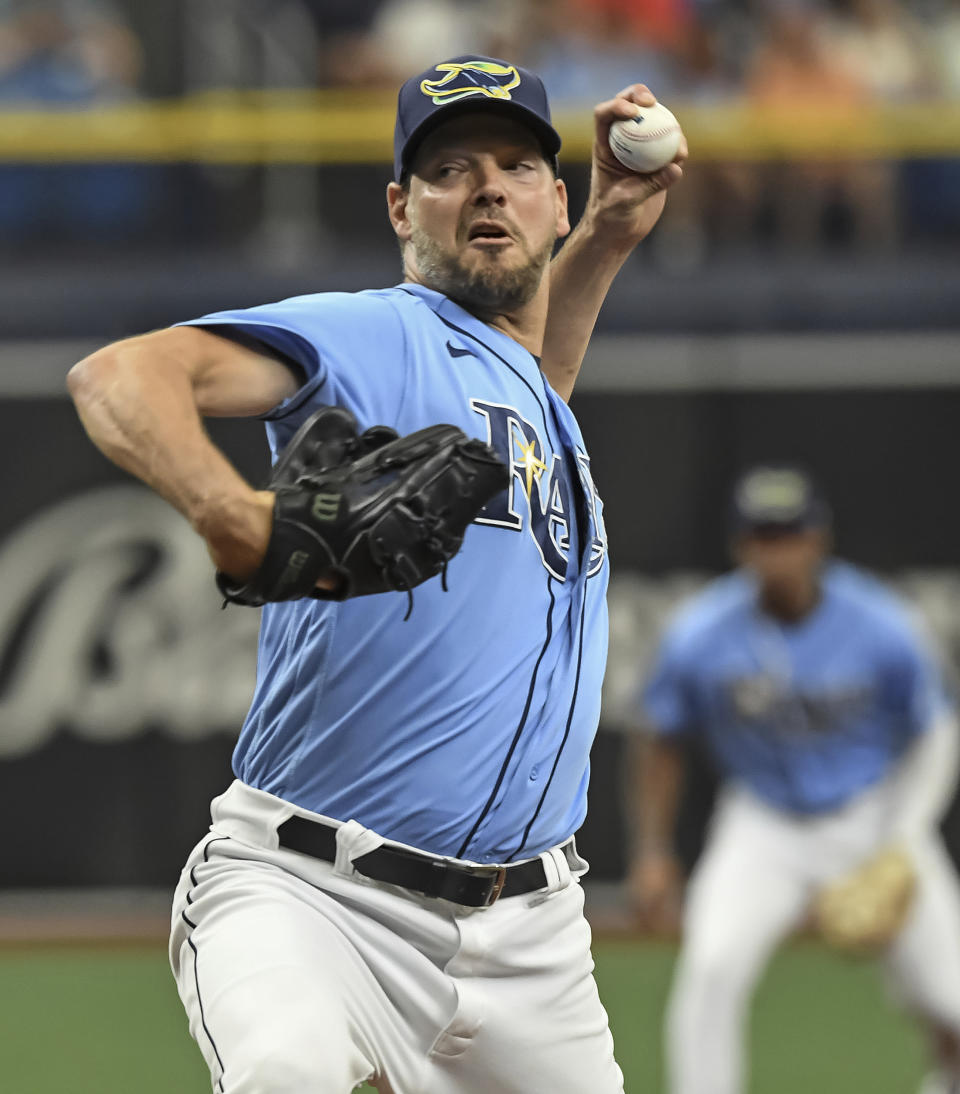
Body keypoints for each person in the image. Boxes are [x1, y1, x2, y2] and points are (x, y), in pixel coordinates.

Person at [67, 54, 686, 1094]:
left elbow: (535, 380)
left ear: (555, 197)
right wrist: (232, 515)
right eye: (450, 168)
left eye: (515, 164)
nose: (487, 186)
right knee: (285, 1072)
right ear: (402, 207)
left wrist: (610, 240)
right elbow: (119, 374)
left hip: (532, 936)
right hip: (316, 893)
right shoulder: (374, 332)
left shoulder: (528, 395)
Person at [626, 464, 960, 1094]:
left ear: (818, 540)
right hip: (764, 823)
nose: (776, 551)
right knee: (713, 969)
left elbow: (937, 732)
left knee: (950, 997)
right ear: (739, 546)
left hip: (874, 816)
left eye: (789, 534)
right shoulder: (703, 631)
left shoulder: (881, 622)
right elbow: (660, 735)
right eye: (762, 536)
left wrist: (906, 835)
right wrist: (651, 851)